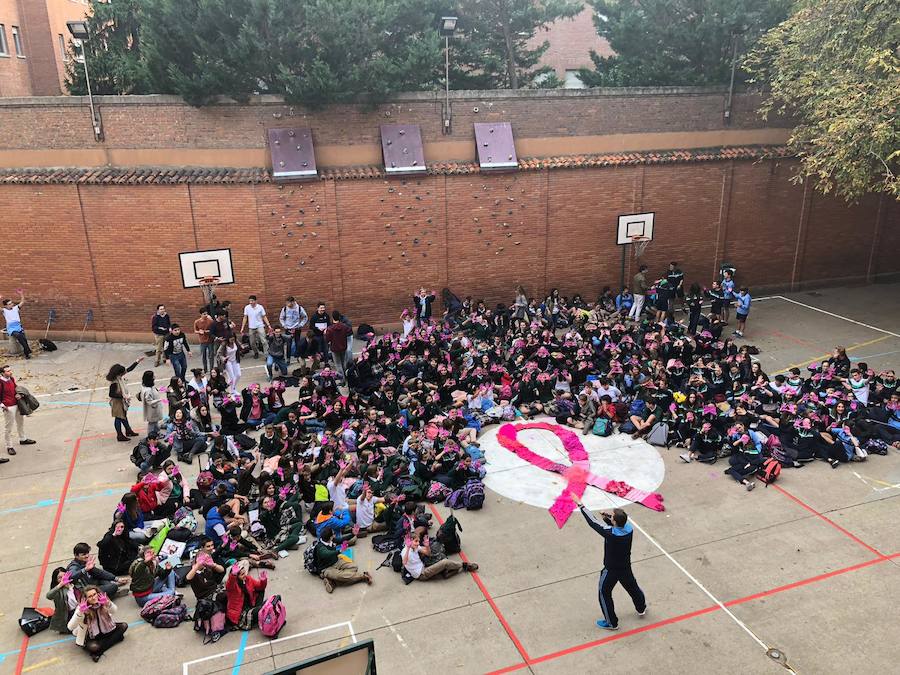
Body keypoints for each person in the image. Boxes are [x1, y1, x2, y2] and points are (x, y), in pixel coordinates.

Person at [570, 494, 646, 631]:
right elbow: (617, 524)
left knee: (604, 592)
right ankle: (641, 607)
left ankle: (611, 622)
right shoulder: (629, 529)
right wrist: (606, 515)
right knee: (633, 587)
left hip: (611, 569)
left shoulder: (611, 533)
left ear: (616, 523)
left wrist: (580, 504)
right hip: (625, 567)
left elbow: (593, 522)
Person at [67, 585, 128, 662]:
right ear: (85, 599)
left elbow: (114, 611)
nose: (93, 597)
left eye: (94, 594)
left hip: (107, 630)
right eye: (90, 596)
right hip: (91, 636)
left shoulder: (103, 601)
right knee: (94, 647)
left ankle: (98, 652)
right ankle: (115, 639)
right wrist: (80, 612)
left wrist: (108, 603)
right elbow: (70, 627)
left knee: (124, 626)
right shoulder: (81, 608)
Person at [402, 530, 478, 581]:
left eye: (418, 541)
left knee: (440, 557)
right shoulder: (405, 552)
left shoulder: (415, 546)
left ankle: (446, 572)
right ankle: (464, 565)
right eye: (416, 541)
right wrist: (408, 548)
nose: (418, 543)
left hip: (423, 565)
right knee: (445, 562)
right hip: (422, 574)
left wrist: (427, 545)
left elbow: (428, 553)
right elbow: (404, 562)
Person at [314, 527, 372, 593]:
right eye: (333, 534)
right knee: (343, 576)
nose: (334, 535)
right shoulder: (320, 547)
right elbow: (326, 554)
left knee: (354, 567)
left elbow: (341, 539)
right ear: (330, 537)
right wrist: (340, 550)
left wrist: (353, 534)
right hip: (326, 568)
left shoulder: (330, 540)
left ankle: (333, 581)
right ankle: (363, 576)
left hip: (336, 561)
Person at [0, 364, 35, 457]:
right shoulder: (0, 382)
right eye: (8, 371)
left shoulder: (11, 379)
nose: (10, 372)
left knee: (20, 422)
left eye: (10, 370)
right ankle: (9, 446)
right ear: (2, 373)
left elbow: (16, 388)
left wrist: (19, 394)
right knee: (8, 428)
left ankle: (23, 439)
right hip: (9, 407)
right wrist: (2, 405)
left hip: (17, 404)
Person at [106, 359, 143, 442]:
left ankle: (128, 430)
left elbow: (129, 369)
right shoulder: (114, 383)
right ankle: (119, 435)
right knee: (119, 418)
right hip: (117, 403)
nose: (124, 373)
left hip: (121, 401)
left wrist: (136, 362)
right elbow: (111, 394)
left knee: (124, 416)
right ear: (118, 373)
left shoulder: (118, 377)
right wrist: (123, 396)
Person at [224, 560, 267, 628]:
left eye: (245, 573)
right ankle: (258, 611)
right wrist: (233, 575)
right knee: (263, 609)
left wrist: (263, 580)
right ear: (237, 576)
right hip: (240, 614)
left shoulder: (248, 578)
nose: (245, 575)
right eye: (242, 574)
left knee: (261, 591)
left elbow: (260, 587)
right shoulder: (232, 586)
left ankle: (258, 610)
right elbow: (230, 583)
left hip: (250, 606)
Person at [1, 290, 31, 358]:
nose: (11, 304)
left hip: (18, 326)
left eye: (11, 303)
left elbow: (22, 301)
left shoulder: (16, 308)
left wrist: (21, 294)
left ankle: (27, 353)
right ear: (5, 306)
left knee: (24, 338)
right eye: (9, 304)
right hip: (11, 328)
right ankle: (27, 350)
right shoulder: (4, 311)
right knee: (19, 336)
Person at [279, 296, 308, 362]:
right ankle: (288, 358)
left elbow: (305, 317)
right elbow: (281, 318)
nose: (287, 304)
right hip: (288, 328)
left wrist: (301, 325)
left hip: (297, 328)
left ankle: (298, 356)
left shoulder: (299, 308)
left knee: (298, 343)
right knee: (288, 344)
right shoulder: (284, 309)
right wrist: (284, 325)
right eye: (286, 303)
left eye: (288, 303)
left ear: (292, 302)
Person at [325, 310, 353, 377]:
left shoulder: (330, 328)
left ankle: (342, 379)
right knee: (343, 363)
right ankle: (346, 376)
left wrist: (325, 333)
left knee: (338, 364)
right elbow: (349, 332)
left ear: (333, 317)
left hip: (335, 348)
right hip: (343, 346)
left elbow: (327, 339)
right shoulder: (344, 326)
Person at [137, 370, 163, 437]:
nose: (154, 376)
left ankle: (157, 433)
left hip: (154, 409)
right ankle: (150, 436)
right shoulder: (148, 390)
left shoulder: (146, 386)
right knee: (152, 423)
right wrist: (159, 400)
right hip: (152, 410)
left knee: (155, 422)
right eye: (153, 376)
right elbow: (149, 401)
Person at [194, 308, 215, 373]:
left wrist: (206, 331)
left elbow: (213, 330)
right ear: (201, 314)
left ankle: (212, 369)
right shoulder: (197, 322)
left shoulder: (210, 321)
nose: (205, 315)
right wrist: (199, 332)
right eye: (204, 314)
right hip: (202, 341)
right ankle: (205, 369)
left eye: (206, 314)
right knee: (203, 355)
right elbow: (195, 331)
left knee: (211, 355)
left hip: (210, 340)